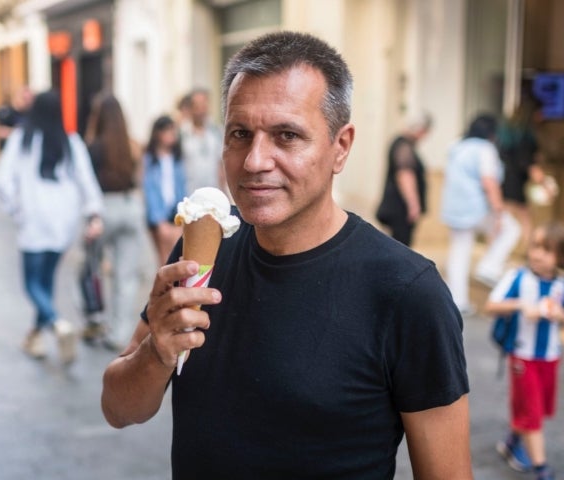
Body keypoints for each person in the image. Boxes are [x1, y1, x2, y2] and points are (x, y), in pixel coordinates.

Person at [101, 31, 472, 478]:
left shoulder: (407, 294)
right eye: (240, 134)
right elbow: (119, 408)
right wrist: (156, 353)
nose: (255, 160)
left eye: (287, 135)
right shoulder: (203, 254)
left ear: (341, 147)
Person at [0, 90, 104, 364]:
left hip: (33, 220)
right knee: (46, 282)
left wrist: (15, 210)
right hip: (63, 223)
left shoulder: (22, 140)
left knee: (32, 284)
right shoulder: (70, 141)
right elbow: (87, 181)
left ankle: (56, 322)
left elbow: (2, 182)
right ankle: (35, 337)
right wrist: (93, 214)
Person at [484, 221, 564, 480]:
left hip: (550, 357)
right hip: (522, 357)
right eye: (535, 246)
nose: (538, 254)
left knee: (537, 408)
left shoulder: (560, 285)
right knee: (532, 411)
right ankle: (542, 469)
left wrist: (556, 313)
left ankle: (510, 444)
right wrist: (521, 305)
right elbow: (491, 306)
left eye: (547, 249)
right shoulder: (518, 277)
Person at [82, 93, 145, 351]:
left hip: (104, 209)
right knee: (125, 276)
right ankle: (119, 334)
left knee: (88, 269)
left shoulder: (94, 147)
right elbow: (139, 177)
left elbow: (87, 185)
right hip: (131, 207)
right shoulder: (132, 145)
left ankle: (94, 320)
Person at [441, 114, 521, 313]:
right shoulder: (485, 149)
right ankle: (490, 267)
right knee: (512, 229)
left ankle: (457, 301)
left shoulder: (456, 145)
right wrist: (499, 210)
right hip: (476, 207)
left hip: (454, 207)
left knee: (459, 252)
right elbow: (489, 181)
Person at [499, 94, 557, 250]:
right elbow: (528, 164)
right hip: (515, 182)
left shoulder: (508, 131)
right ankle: (527, 251)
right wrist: (546, 185)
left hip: (503, 179)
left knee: (504, 219)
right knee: (522, 218)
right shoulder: (526, 136)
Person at [375, 112, 432, 246]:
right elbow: (405, 175)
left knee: (396, 246)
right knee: (401, 247)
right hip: (399, 209)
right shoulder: (404, 145)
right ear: (420, 129)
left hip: (396, 208)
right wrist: (413, 205)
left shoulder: (401, 143)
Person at [142, 115, 187, 266]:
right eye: (167, 131)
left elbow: (181, 187)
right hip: (158, 215)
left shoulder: (177, 159)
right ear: (158, 133)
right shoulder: (149, 160)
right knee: (164, 259)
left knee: (177, 255)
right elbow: (149, 191)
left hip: (175, 211)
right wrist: (159, 220)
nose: (171, 135)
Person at [179, 88, 226, 193]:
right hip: (190, 193)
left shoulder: (217, 131)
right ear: (190, 108)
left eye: (203, 106)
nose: (201, 110)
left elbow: (221, 164)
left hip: (214, 192)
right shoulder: (182, 134)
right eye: (197, 106)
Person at [0, 85, 33, 153]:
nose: (27, 102)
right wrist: (16, 132)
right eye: (24, 99)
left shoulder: (31, 114)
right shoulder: (6, 112)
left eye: (29, 100)